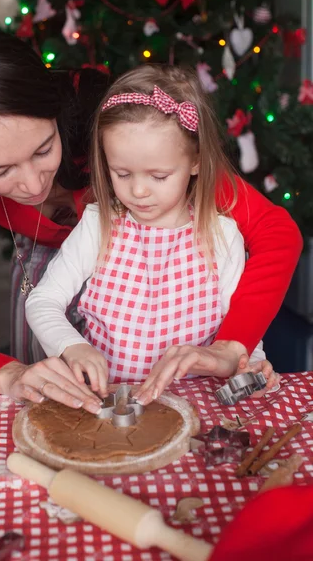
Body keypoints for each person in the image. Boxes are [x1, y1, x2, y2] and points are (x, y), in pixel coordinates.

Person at [0, 27, 302, 409]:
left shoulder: (130, 134)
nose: (33, 186)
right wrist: (9, 374)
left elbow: (275, 234)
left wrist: (232, 347)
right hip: (56, 266)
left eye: (44, 149)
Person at [25, 64, 280, 403]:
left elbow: (243, 327)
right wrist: (73, 346)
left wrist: (254, 366)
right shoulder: (97, 225)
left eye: (158, 176)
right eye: (122, 173)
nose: (138, 191)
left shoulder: (221, 234)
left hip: (195, 407)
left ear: (196, 162)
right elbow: (42, 302)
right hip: (111, 406)